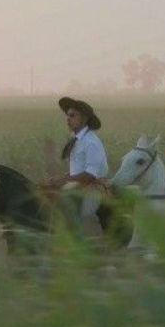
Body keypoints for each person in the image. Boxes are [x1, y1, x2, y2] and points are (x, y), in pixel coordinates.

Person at [46, 97, 109, 233]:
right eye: (67, 116)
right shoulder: (78, 140)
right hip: (78, 185)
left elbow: (91, 175)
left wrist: (63, 180)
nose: (68, 119)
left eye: (72, 116)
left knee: (66, 205)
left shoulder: (90, 142)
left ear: (84, 119)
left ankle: (78, 240)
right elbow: (78, 170)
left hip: (93, 188)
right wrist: (61, 178)